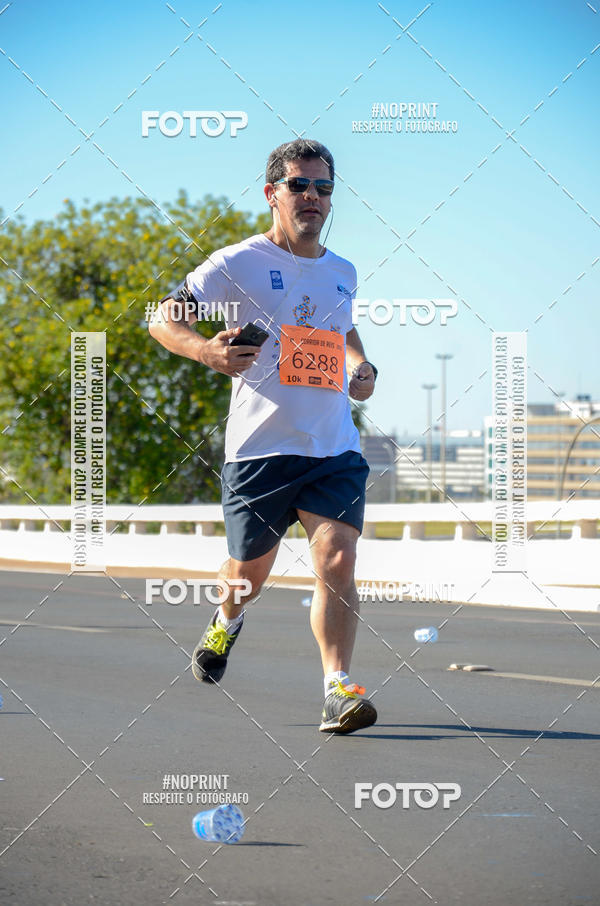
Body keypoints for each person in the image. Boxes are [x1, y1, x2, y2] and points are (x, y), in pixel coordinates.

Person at [149, 139, 378, 734]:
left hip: (332, 446)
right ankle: (227, 618)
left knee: (338, 557)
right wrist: (205, 350)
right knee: (249, 574)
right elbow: (162, 318)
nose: (313, 198)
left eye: (324, 188)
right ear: (273, 193)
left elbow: (344, 332)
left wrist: (360, 367)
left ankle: (338, 686)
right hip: (260, 449)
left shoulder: (342, 271)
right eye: (300, 186)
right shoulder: (237, 263)